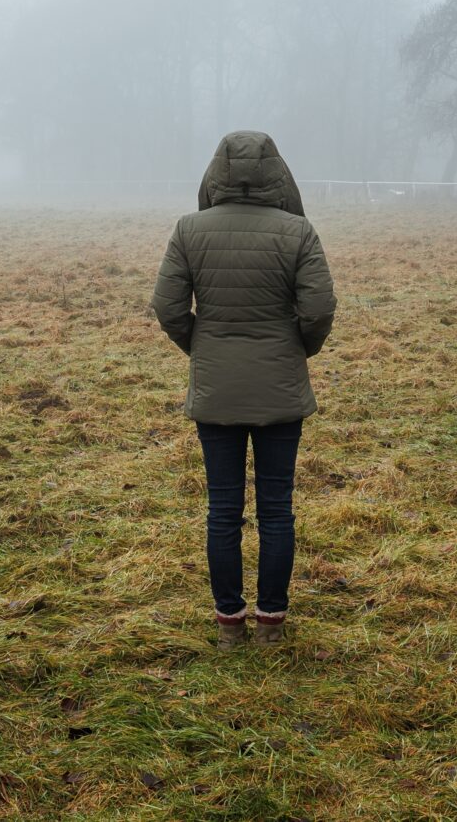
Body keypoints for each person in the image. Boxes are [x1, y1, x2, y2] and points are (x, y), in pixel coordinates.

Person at [151, 130, 337, 647]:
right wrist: (296, 349)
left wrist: (202, 348)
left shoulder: (189, 230)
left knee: (223, 509)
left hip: (217, 392)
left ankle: (229, 624)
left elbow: (167, 308)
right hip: (280, 388)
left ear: (215, 175)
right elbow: (319, 307)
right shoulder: (297, 231)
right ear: (278, 173)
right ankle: (271, 624)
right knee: (277, 508)